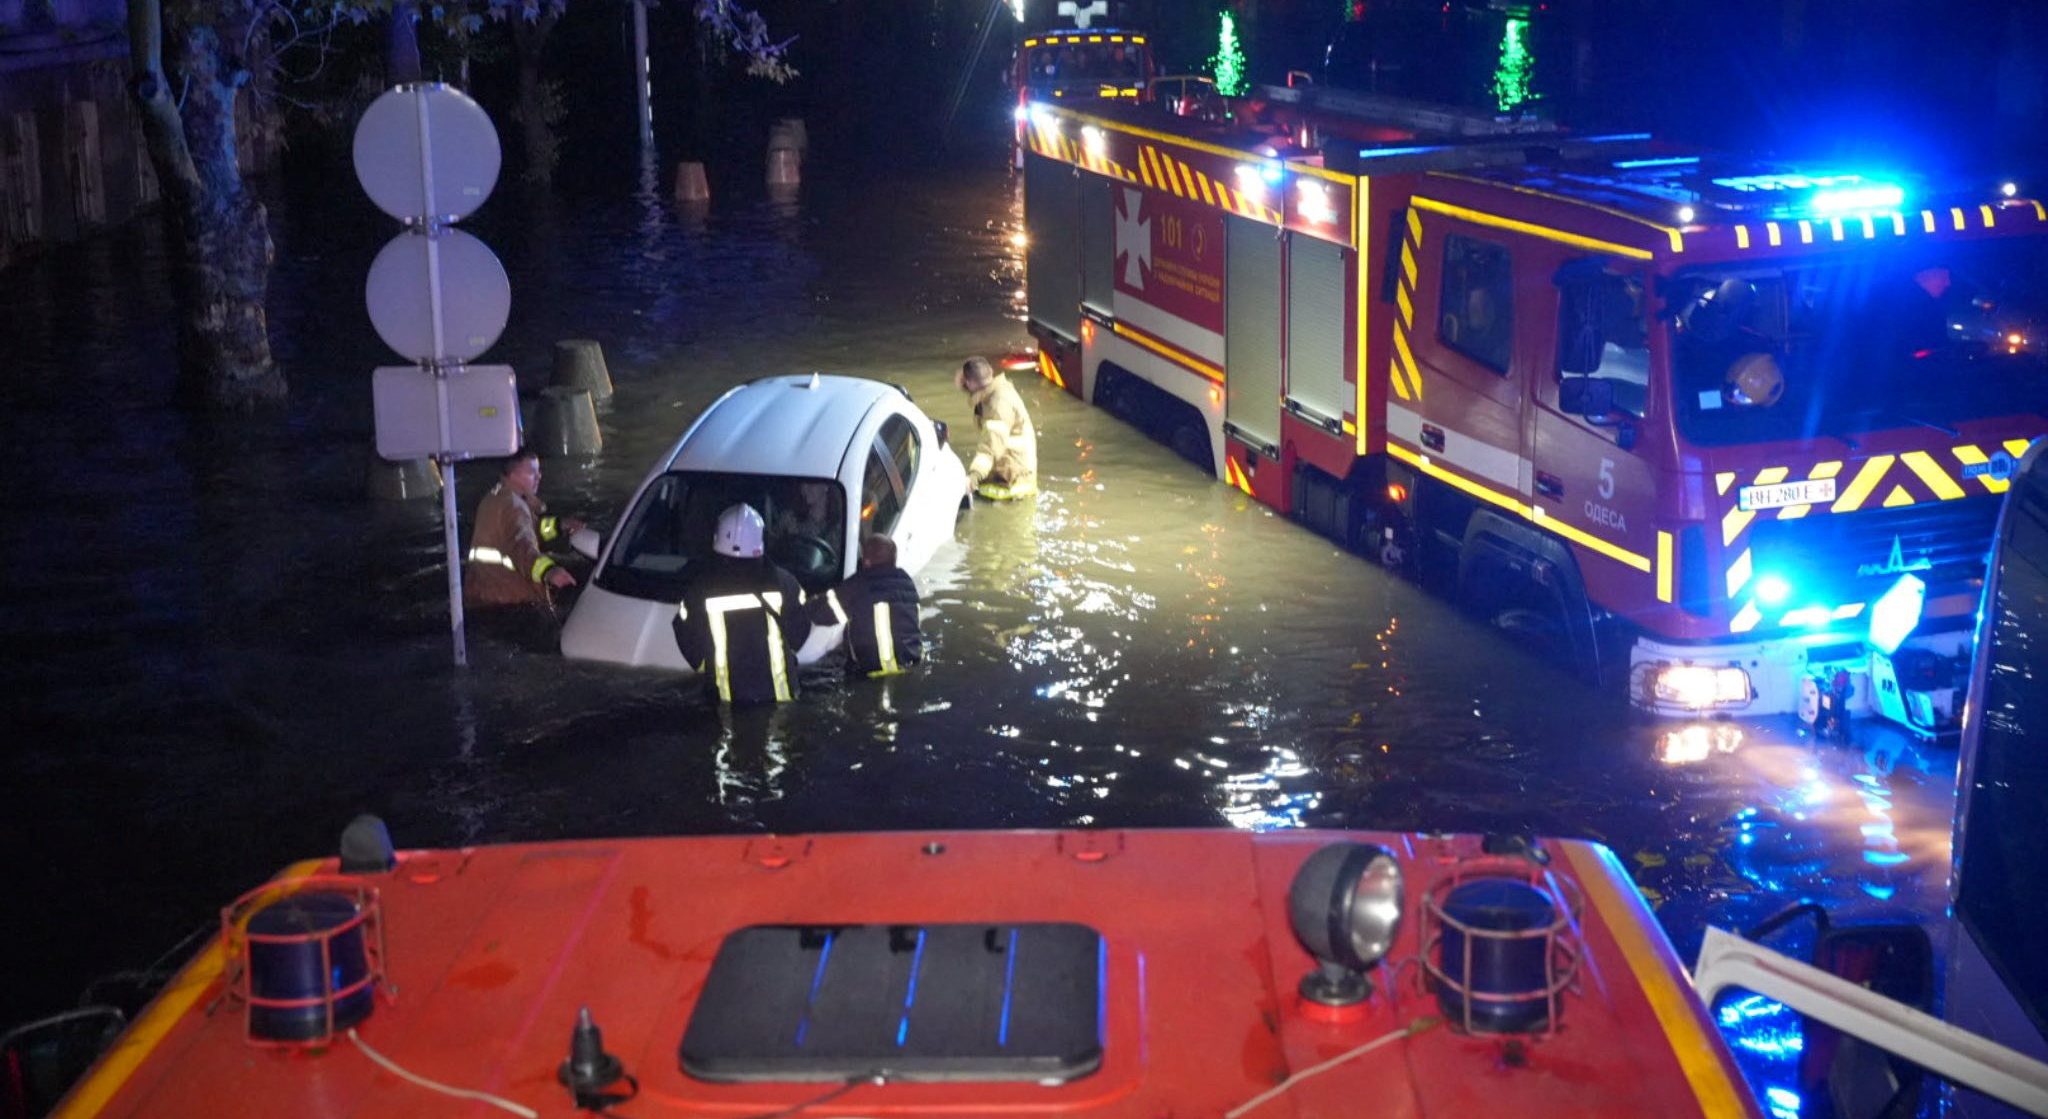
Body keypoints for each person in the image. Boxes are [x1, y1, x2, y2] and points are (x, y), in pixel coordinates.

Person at [671, 504, 813, 705]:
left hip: (726, 703)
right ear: (761, 540)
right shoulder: (784, 582)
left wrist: (709, 665)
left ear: (717, 539)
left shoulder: (700, 589)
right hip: (782, 697)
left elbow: (687, 638)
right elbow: (801, 628)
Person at [466, 448, 582, 642]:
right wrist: (550, 571)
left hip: (483, 593)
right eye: (531, 472)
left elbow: (530, 530)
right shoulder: (513, 507)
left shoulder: (497, 495)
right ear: (513, 475)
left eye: (539, 471)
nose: (539, 477)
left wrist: (559, 525)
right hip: (508, 599)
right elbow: (522, 548)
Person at [807, 534, 923, 677]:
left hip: (873, 673)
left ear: (866, 561)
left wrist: (808, 600)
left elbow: (821, 616)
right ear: (894, 559)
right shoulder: (907, 582)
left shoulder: (858, 585)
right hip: (911, 664)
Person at [957, 355, 1039, 500]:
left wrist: (973, 478)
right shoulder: (993, 392)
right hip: (1011, 468)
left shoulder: (997, 406)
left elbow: (989, 447)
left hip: (1013, 479)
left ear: (970, 383)